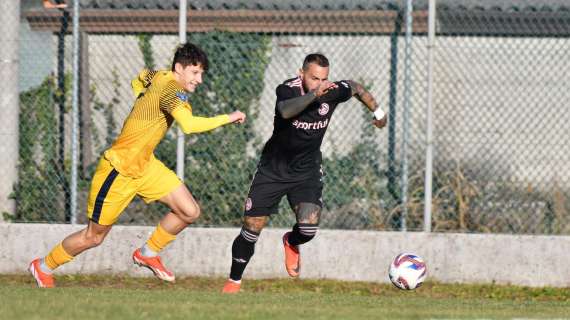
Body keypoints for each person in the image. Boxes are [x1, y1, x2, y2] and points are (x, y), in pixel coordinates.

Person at [29, 43, 246, 288]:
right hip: (118, 170)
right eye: (195, 73)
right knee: (94, 236)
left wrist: (141, 106)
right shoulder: (172, 91)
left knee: (189, 211)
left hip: (145, 165)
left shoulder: (161, 77)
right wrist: (229, 117)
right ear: (179, 68)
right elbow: (189, 125)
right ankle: (44, 266)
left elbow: (142, 76)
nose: (199, 79)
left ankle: (148, 253)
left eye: (201, 74)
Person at [222, 53, 387, 293]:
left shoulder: (332, 90)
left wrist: (379, 112)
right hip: (273, 170)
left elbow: (356, 87)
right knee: (252, 228)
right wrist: (313, 96)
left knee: (308, 228)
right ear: (301, 74)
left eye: (324, 79)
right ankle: (234, 281)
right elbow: (286, 111)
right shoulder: (288, 90)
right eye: (314, 78)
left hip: (306, 171)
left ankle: (291, 241)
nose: (320, 83)